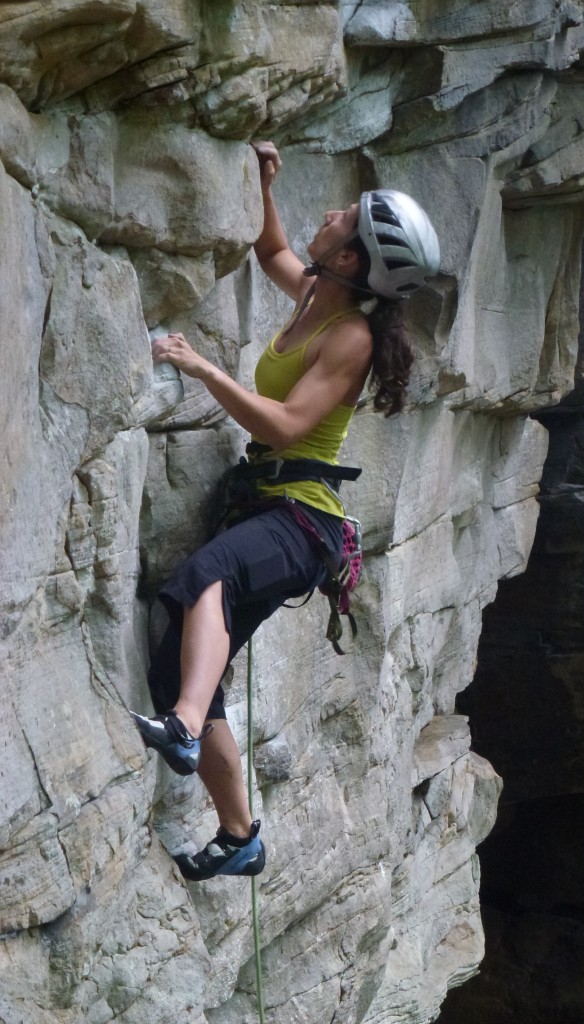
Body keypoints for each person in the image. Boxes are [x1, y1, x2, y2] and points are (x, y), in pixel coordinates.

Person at [130, 142, 440, 881]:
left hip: (305, 524)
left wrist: (204, 367)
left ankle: (180, 727)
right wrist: (265, 184)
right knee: (184, 661)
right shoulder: (312, 294)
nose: (330, 214)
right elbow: (270, 245)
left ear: (355, 261)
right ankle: (241, 837)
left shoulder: (353, 337)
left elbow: (286, 427)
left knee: (210, 574)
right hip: (266, 509)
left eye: (345, 218)